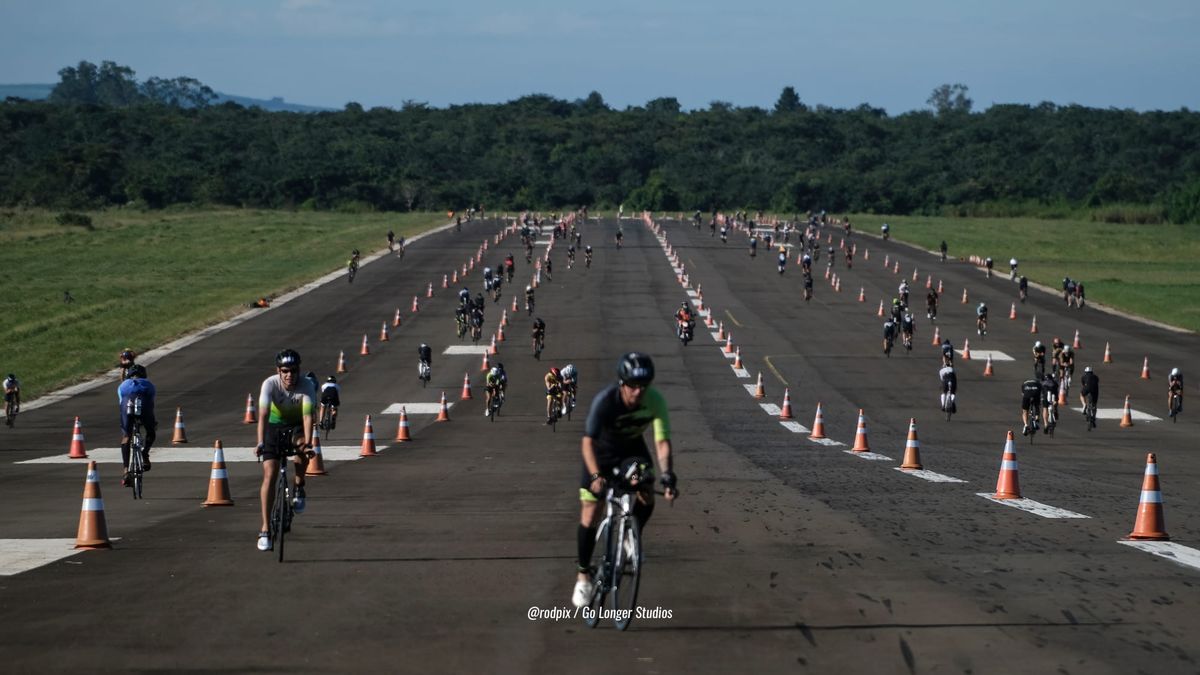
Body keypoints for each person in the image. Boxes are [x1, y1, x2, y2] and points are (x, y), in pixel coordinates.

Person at [572, 353, 677, 608]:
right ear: (622, 383)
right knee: (591, 511)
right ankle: (583, 576)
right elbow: (587, 442)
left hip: (630, 451)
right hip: (600, 453)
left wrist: (667, 474)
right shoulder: (606, 401)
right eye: (633, 386)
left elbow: (661, 441)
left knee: (646, 486)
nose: (639, 391)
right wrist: (596, 476)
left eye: (644, 386)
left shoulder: (655, 401)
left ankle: (632, 534)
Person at [256, 350, 315, 551]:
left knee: (302, 449)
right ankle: (265, 528)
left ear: (300, 370)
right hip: (273, 427)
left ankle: (299, 485)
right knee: (270, 474)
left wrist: (307, 444)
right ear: (278, 371)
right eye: (285, 371)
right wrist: (259, 442)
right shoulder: (270, 384)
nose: (290, 375)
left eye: (294, 371)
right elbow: (263, 415)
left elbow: (308, 417)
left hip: (296, 425)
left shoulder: (306, 385)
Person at [118, 364, 157, 486]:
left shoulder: (123, 385)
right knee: (151, 430)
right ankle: (145, 454)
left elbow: (120, 402)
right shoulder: (149, 384)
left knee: (126, 437)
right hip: (144, 405)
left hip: (126, 405)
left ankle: (125, 471)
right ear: (144, 375)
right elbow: (151, 402)